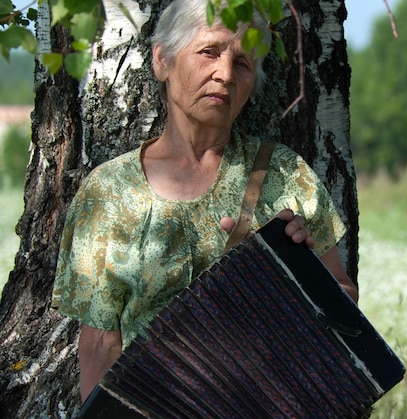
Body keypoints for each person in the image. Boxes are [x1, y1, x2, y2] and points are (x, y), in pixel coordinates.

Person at [51, 0, 358, 403]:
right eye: (209, 52)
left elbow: (346, 307)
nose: (225, 74)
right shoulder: (108, 193)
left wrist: (300, 271)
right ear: (163, 61)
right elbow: (100, 345)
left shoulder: (286, 175)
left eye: (244, 64)